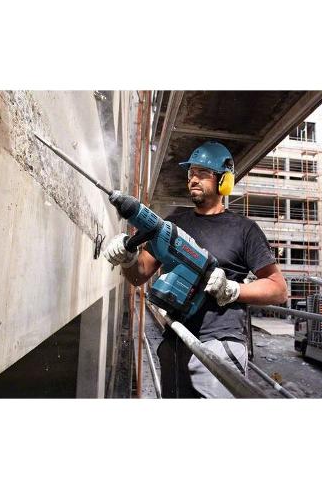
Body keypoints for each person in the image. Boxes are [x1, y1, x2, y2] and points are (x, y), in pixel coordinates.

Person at [103, 141, 287, 398]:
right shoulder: (173, 225)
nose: (193, 179)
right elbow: (138, 275)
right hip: (175, 341)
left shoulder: (244, 230)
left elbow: (279, 289)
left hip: (221, 346)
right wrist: (128, 258)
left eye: (203, 172)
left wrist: (233, 290)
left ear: (224, 180)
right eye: (191, 173)